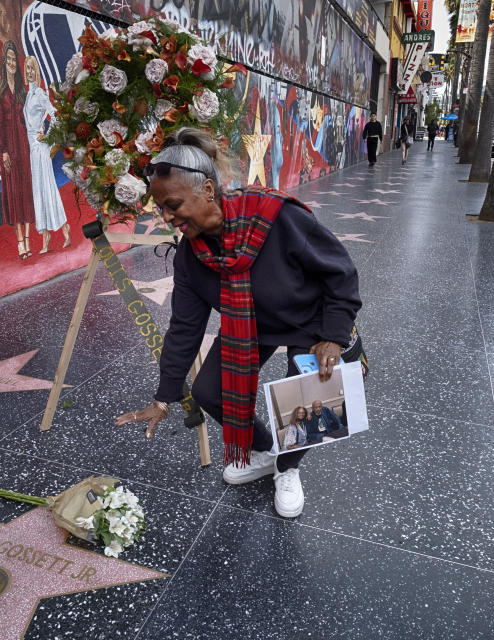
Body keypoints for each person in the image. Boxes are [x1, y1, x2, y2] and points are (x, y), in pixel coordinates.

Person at [115, 128, 362, 519]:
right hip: (253, 326)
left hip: (310, 321)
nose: (166, 216)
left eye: (173, 204)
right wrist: (164, 397)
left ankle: (287, 467)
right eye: (160, 207)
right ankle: (265, 450)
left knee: (311, 396)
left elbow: (341, 272)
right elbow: (184, 329)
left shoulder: (277, 216)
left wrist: (333, 335)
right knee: (210, 391)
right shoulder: (191, 257)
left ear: (209, 191)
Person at [22, 56, 70, 254]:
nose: (30, 72)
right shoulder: (28, 95)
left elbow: (56, 115)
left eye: (32, 68)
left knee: (48, 188)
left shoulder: (40, 93)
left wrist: (48, 137)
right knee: (38, 191)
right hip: (33, 149)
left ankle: (65, 228)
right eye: (27, 69)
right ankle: (46, 237)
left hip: (40, 148)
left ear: (38, 71)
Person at [0, 41, 35, 259]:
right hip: (10, 145)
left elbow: (28, 118)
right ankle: (19, 242)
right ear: (3, 61)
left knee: (26, 192)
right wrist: (4, 150)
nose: (11, 63)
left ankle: (28, 241)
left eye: (13, 60)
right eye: (8, 59)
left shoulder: (21, 88)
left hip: (24, 145)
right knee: (13, 192)